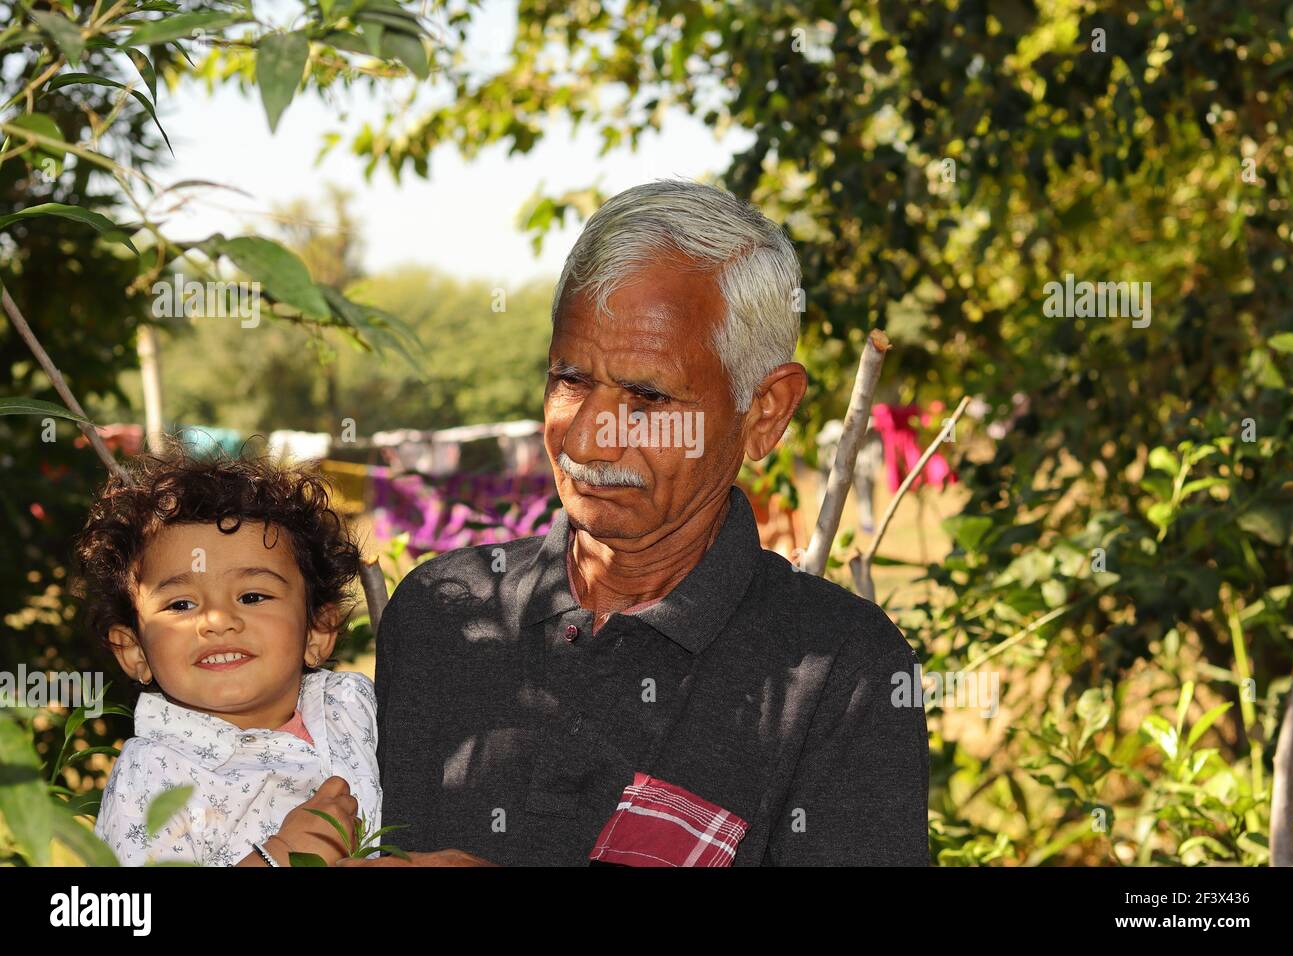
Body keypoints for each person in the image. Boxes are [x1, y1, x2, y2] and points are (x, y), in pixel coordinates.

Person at [351, 179, 929, 867]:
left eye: (647, 397)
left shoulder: (839, 673)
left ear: (766, 410)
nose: (590, 440)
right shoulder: (443, 615)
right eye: (571, 379)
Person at [78, 450, 381, 866]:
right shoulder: (153, 774)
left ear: (317, 631)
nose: (217, 620)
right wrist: (280, 858)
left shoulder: (352, 705)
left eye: (252, 596)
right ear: (134, 651)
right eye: (181, 604)